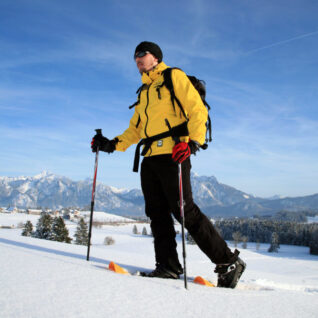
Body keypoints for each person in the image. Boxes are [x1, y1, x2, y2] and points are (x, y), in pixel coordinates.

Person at [91, 41, 246, 288]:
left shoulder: (173, 77)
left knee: (184, 211)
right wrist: (110, 144)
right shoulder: (144, 93)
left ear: (156, 57)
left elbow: (197, 110)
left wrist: (193, 142)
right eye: (135, 56)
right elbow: (135, 130)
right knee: (157, 214)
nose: (137, 59)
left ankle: (227, 262)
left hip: (174, 153)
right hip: (150, 158)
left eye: (142, 54)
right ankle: (168, 266)